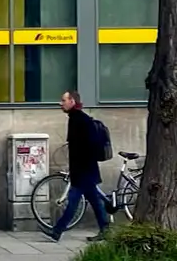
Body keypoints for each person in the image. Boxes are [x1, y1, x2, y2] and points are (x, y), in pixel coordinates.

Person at [49, 90, 110, 241]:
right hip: (84, 170)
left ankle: (57, 231)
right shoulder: (76, 118)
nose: (60, 103)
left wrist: (79, 166)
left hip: (83, 171)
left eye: (63, 100)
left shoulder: (81, 120)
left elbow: (87, 146)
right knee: (94, 201)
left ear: (72, 102)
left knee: (74, 201)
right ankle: (105, 229)